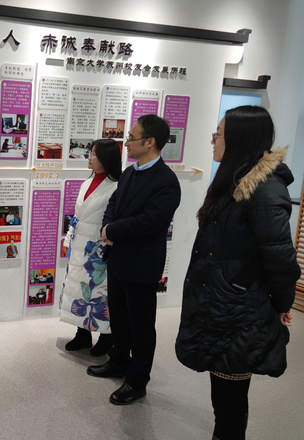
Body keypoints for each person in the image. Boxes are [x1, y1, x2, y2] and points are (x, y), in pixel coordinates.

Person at [175, 106, 300, 440]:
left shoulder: (264, 189)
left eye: (218, 134)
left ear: (239, 139)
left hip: (239, 310)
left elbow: (281, 259)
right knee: (223, 394)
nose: (212, 140)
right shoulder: (234, 181)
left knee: (230, 399)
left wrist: (281, 304)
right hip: (224, 305)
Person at [88, 114, 181, 406]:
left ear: (150, 142)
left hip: (141, 264)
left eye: (131, 137)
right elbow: (113, 203)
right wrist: (107, 225)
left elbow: (150, 222)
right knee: (119, 317)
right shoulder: (130, 172)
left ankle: (137, 381)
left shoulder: (166, 181)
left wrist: (112, 230)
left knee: (141, 326)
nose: (126, 143)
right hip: (118, 258)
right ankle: (118, 360)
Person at [59, 139, 122, 356]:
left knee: (100, 293)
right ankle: (82, 334)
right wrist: (68, 239)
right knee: (79, 289)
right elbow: (77, 216)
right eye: (90, 153)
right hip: (79, 245)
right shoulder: (86, 182)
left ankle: (106, 337)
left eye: (94, 154)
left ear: (107, 158)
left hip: (99, 249)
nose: (90, 157)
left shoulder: (116, 186)